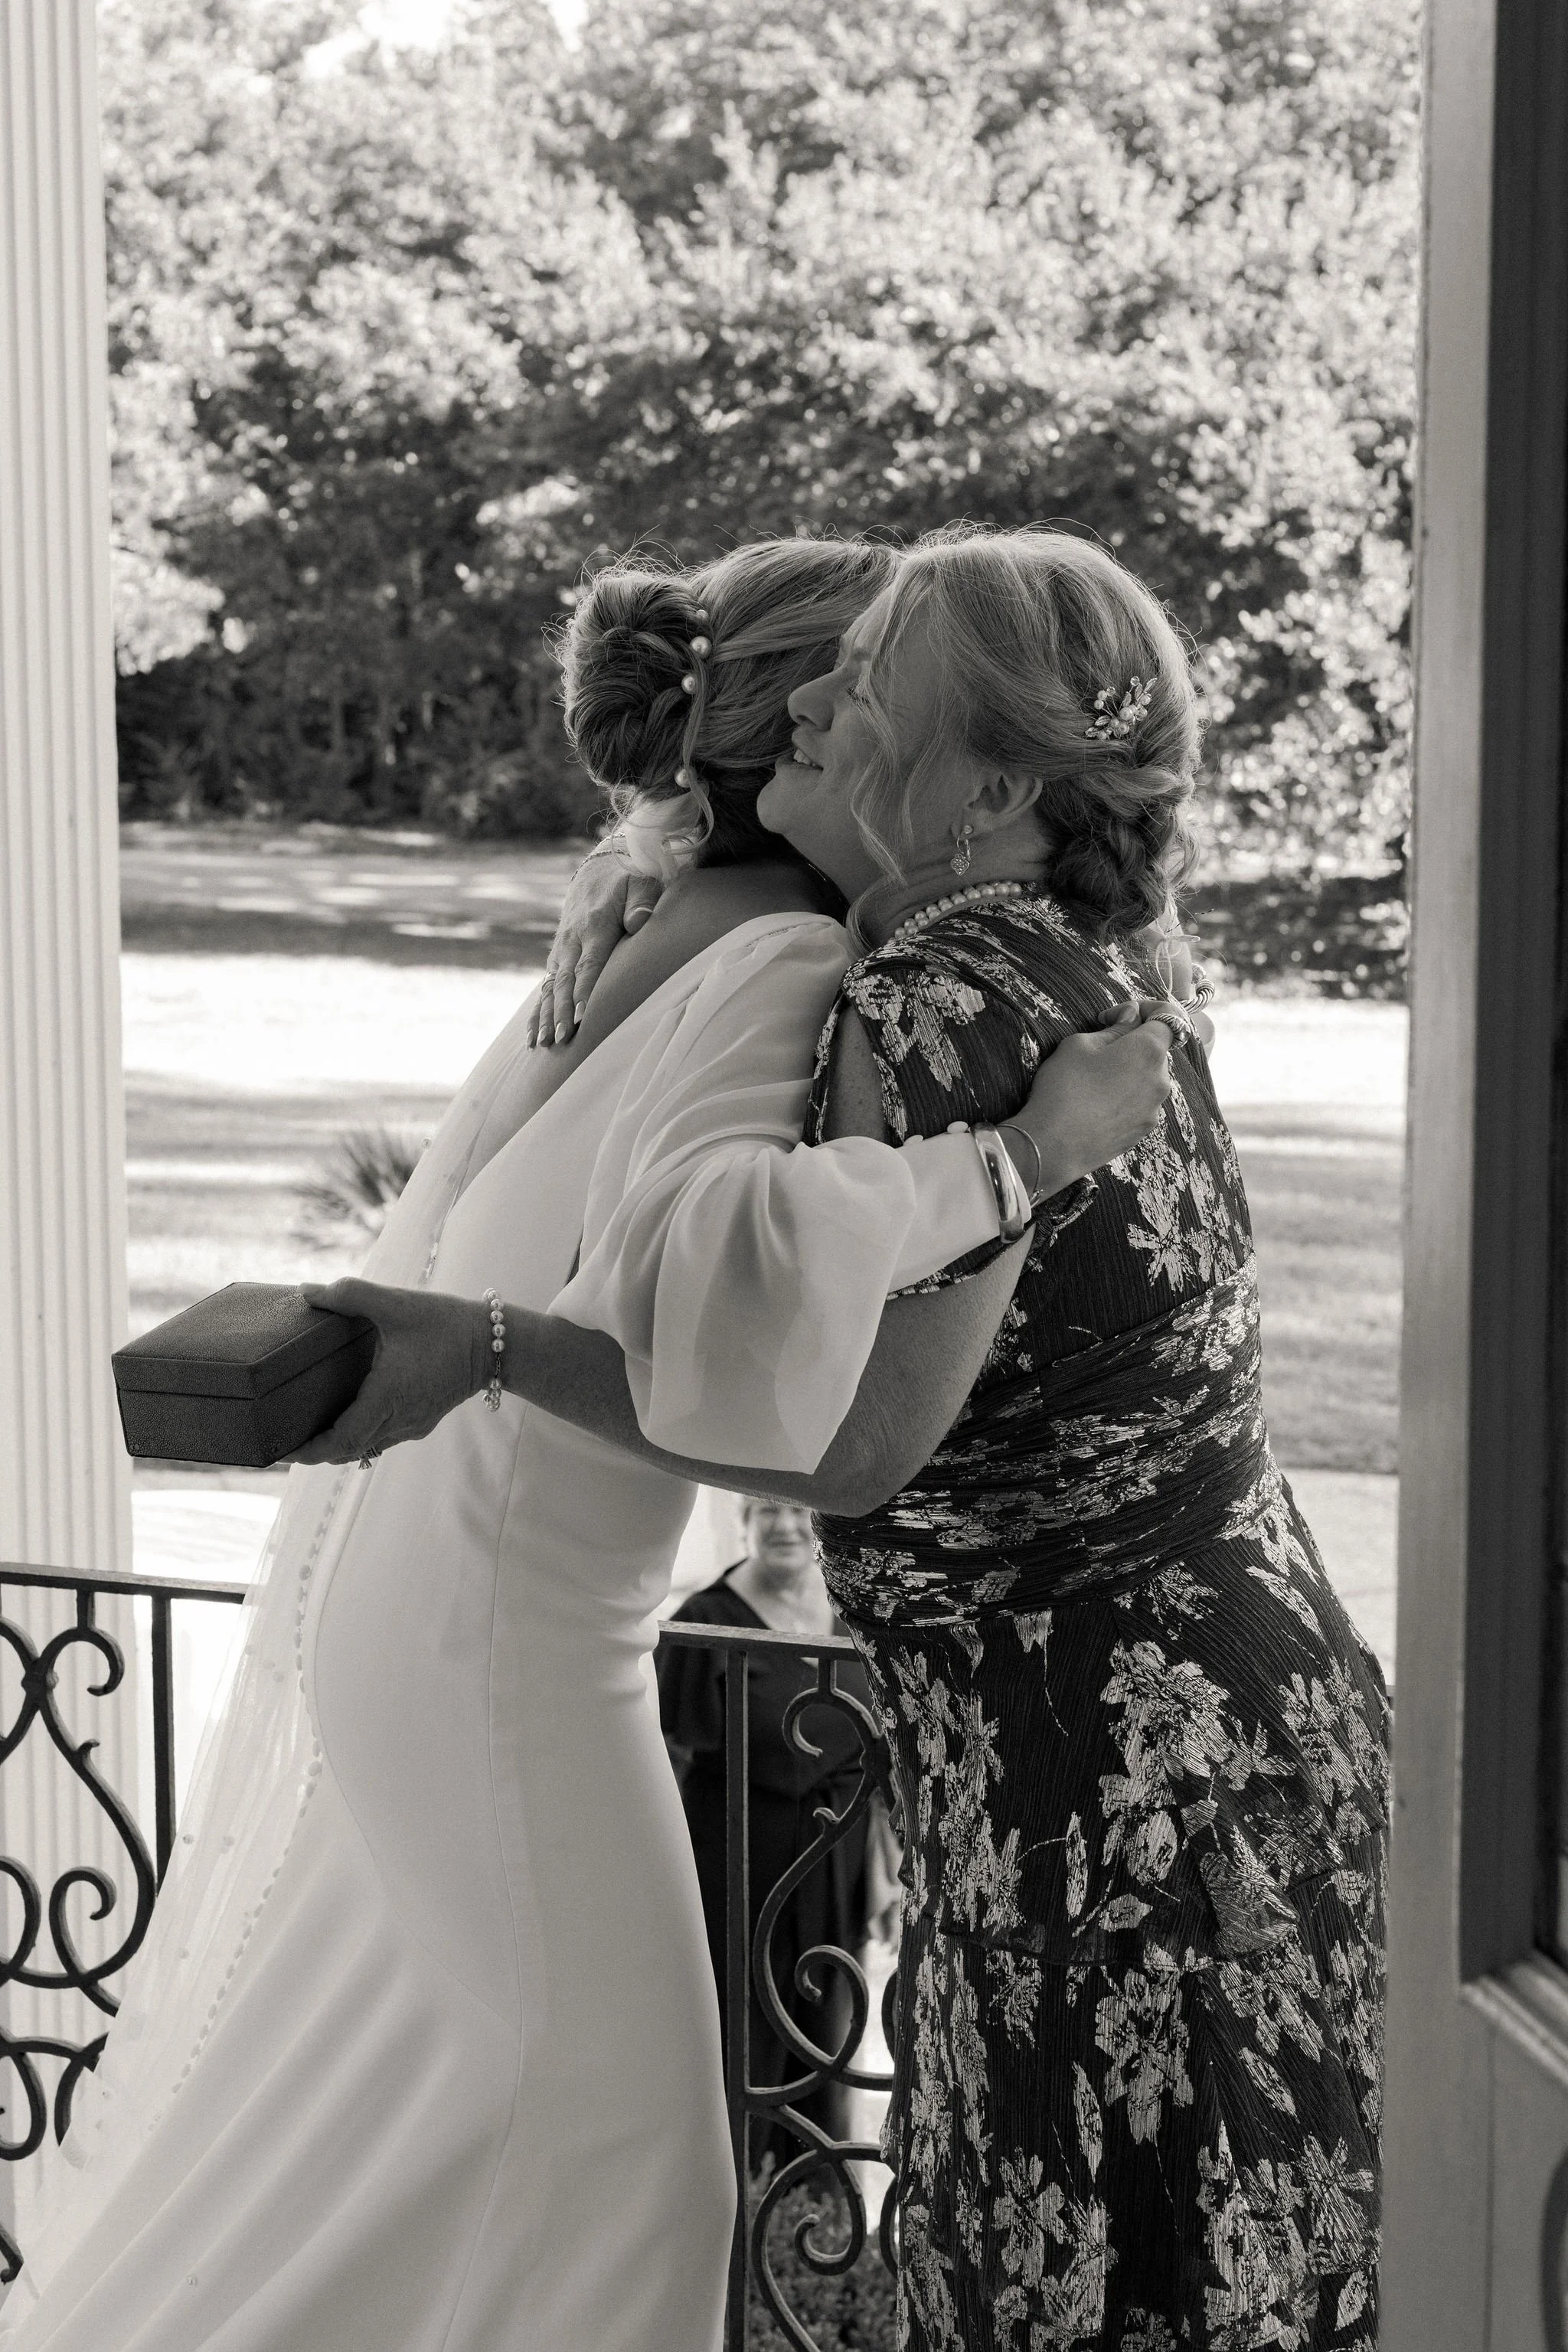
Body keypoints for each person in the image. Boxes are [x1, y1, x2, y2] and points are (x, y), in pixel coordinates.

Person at [2, 535, 1182, 2352]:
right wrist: (1017, 1158)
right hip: (517, 1648)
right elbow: (720, 1271)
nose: (846, 710)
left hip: (445, 1604)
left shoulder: (671, 924)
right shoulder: (787, 955)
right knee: (630, 2168)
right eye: (849, 681)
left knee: (407, 2161)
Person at [292, 527, 1388, 2349]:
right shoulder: (1114, 944)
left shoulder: (929, 1006)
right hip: (1264, 1713)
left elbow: (857, 1445)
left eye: (865, 685)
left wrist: (485, 1347)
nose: (814, 696)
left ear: (987, 784)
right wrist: (649, 857)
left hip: (1097, 1793)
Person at [658, 1498, 878, 2168]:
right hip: (737, 1863)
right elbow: (664, 1751)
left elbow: (883, 1750)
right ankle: (732, 2213)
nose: (785, 1524)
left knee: (827, 2035)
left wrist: (893, 1869)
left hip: (838, 1864)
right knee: (738, 2040)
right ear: (744, 1521)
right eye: (767, 1509)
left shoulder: (858, 1612)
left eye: (800, 1509)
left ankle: (810, 2209)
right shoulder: (705, 1620)